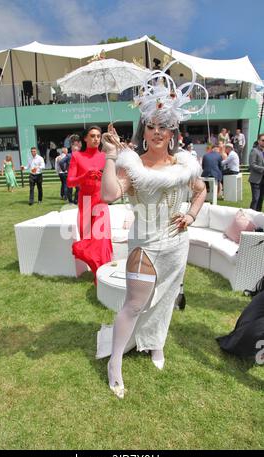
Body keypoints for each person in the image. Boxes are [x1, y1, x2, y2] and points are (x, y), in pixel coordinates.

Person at [99, 65, 207, 398]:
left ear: (173, 132)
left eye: (164, 127)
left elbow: (200, 190)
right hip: (145, 245)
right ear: (144, 130)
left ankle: (155, 344)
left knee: (167, 300)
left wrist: (190, 214)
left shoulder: (185, 164)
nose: (157, 132)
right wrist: (110, 156)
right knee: (134, 304)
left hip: (177, 244)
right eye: (151, 126)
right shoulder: (132, 164)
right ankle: (114, 362)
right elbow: (108, 195)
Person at [67, 126, 113, 281]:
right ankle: (97, 272)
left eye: (98, 136)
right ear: (85, 138)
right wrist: (84, 176)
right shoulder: (77, 156)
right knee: (87, 241)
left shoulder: (105, 156)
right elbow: (70, 182)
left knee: (101, 241)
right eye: (92, 136)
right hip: (85, 203)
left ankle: (101, 277)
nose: (96, 139)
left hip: (100, 202)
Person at [249, 133, 264, 212]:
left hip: (263, 180)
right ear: (258, 141)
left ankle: (258, 218)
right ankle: (250, 217)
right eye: (263, 140)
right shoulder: (254, 151)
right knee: (256, 199)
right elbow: (252, 165)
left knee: (261, 199)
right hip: (256, 180)